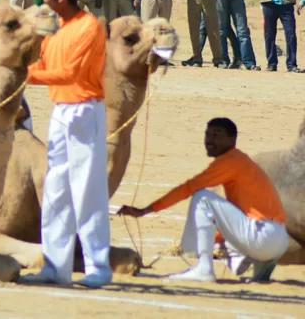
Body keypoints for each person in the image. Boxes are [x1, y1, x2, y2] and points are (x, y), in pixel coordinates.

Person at [22, 0, 112, 289]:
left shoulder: (90, 27)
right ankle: (55, 266)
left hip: (85, 111)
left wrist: (24, 75)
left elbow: (71, 73)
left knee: (87, 189)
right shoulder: (55, 28)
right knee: (56, 188)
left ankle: (98, 266)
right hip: (60, 111)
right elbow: (44, 67)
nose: (41, 1)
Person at [118, 118, 289, 283]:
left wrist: (146, 210)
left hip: (263, 235)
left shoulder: (231, 161)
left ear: (232, 140)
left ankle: (204, 269)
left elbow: (189, 187)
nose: (209, 140)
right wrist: (216, 239)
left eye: (217, 135)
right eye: (208, 134)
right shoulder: (241, 160)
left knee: (202, 198)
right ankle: (255, 260)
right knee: (217, 234)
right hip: (277, 239)